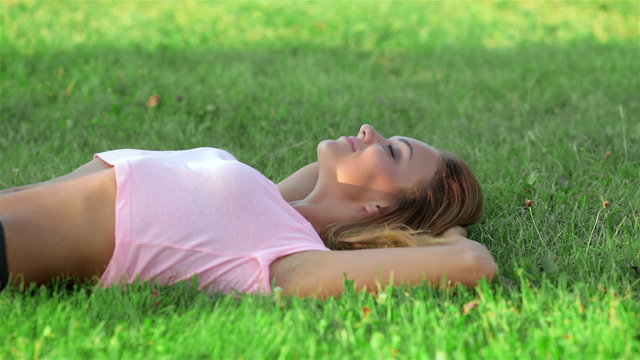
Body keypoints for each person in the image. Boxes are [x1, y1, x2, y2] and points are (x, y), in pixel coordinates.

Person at [0, 124, 496, 297]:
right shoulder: (275, 207)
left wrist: (446, 232)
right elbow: (311, 185)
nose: (369, 130)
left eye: (390, 151)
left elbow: (473, 264)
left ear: (380, 208)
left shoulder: (286, 254)